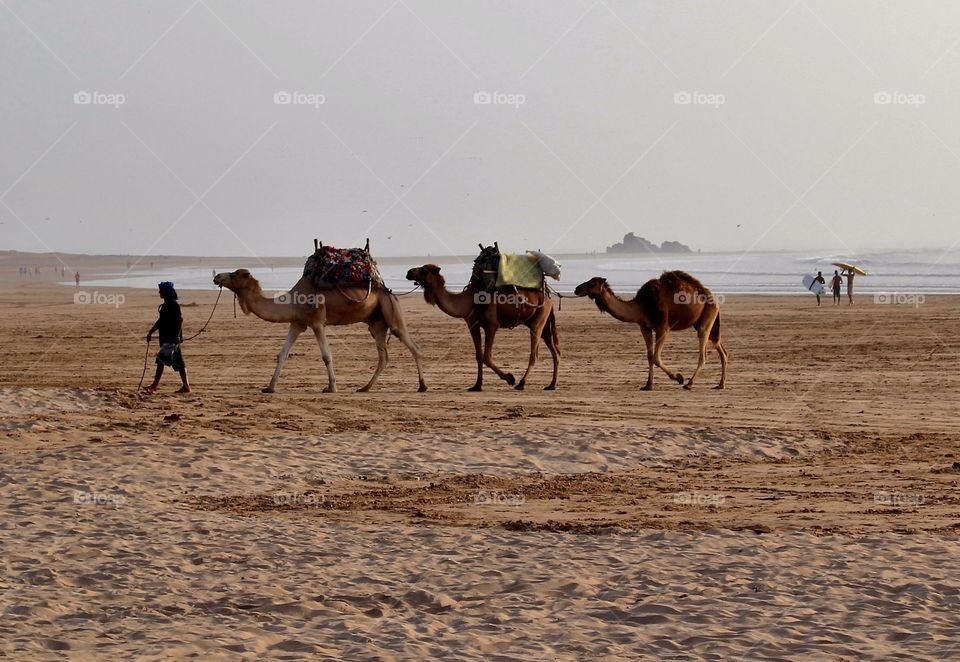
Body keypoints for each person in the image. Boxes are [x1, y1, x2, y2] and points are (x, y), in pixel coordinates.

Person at [144, 281, 191, 394]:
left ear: (167, 292)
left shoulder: (173, 304)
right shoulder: (166, 304)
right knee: (179, 362)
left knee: (160, 360)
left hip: (171, 339)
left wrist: (176, 336)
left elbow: (180, 320)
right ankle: (186, 387)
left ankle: (154, 386)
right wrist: (151, 332)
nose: (159, 292)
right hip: (166, 337)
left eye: (161, 290)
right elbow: (161, 321)